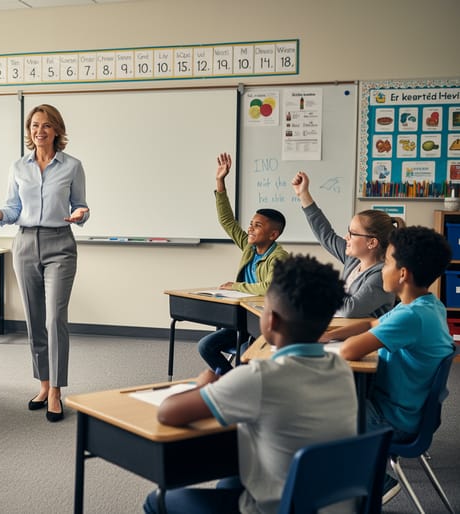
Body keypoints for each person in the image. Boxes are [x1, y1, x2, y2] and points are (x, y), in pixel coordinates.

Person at [144, 255, 357, 514]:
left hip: (279, 509)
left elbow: (168, 412)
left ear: (271, 320)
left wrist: (203, 385)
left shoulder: (260, 377)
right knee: (231, 480)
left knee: (157, 500)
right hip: (332, 505)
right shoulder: (342, 370)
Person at [321, 226, 454, 503]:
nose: (382, 269)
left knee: (312, 410)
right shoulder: (425, 305)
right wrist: (330, 334)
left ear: (402, 274)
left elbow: (349, 351)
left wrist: (339, 341)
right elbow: (373, 323)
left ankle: (377, 481)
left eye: (387, 263)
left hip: (393, 419)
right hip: (407, 411)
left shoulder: (410, 317)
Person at [0, 104, 89, 423]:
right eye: (35, 125)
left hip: (60, 244)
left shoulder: (72, 166)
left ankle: (56, 391)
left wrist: (82, 214)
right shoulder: (18, 167)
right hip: (25, 244)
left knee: (55, 318)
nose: (40, 131)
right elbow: (13, 209)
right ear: (29, 131)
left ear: (57, 130)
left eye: (47, 125)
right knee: (35, 319)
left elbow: (80, 205)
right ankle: (43, 384)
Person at [198, 152, 288, 374]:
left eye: (257, 226)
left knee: (245, 357)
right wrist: (220, 182)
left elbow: (269, 287)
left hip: (266, 323)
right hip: (243, 319)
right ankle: (230, 381)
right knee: (206, 346)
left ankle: (237, 382)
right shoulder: (249, 246)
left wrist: (236, 286)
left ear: (273, 234)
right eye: (251, 223)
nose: (250, 229)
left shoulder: (279, 257)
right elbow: (227, 221)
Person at [292, 170, 403, 317]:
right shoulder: (354, 260)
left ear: (372, 243)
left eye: (352, 233)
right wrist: (303, 194)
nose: (346, 237)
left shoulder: (381, 275)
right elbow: (326, 235)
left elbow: (349, 309)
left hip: (365, 332)